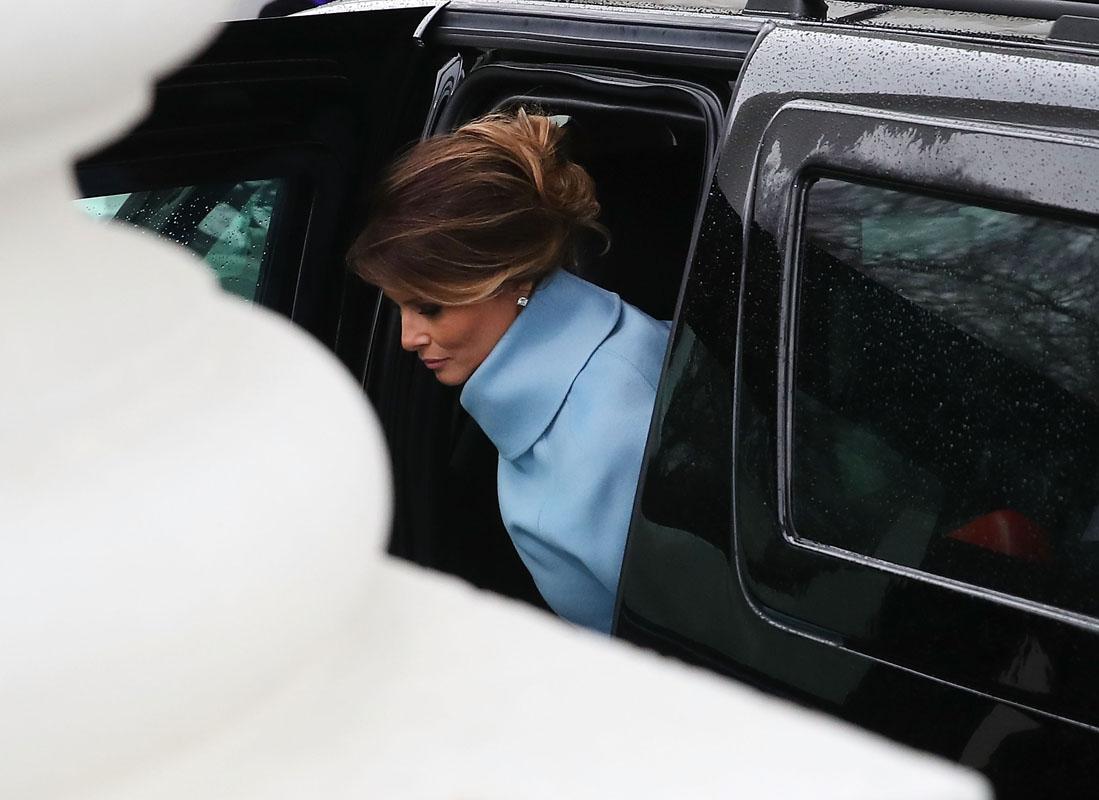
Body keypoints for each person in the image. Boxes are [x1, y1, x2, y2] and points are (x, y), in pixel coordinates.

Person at [348, 110, 670, 634]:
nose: (408, 338)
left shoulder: (608, 441)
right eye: (398, 307)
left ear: (512, 276)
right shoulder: (618, 344)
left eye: (429, 308)